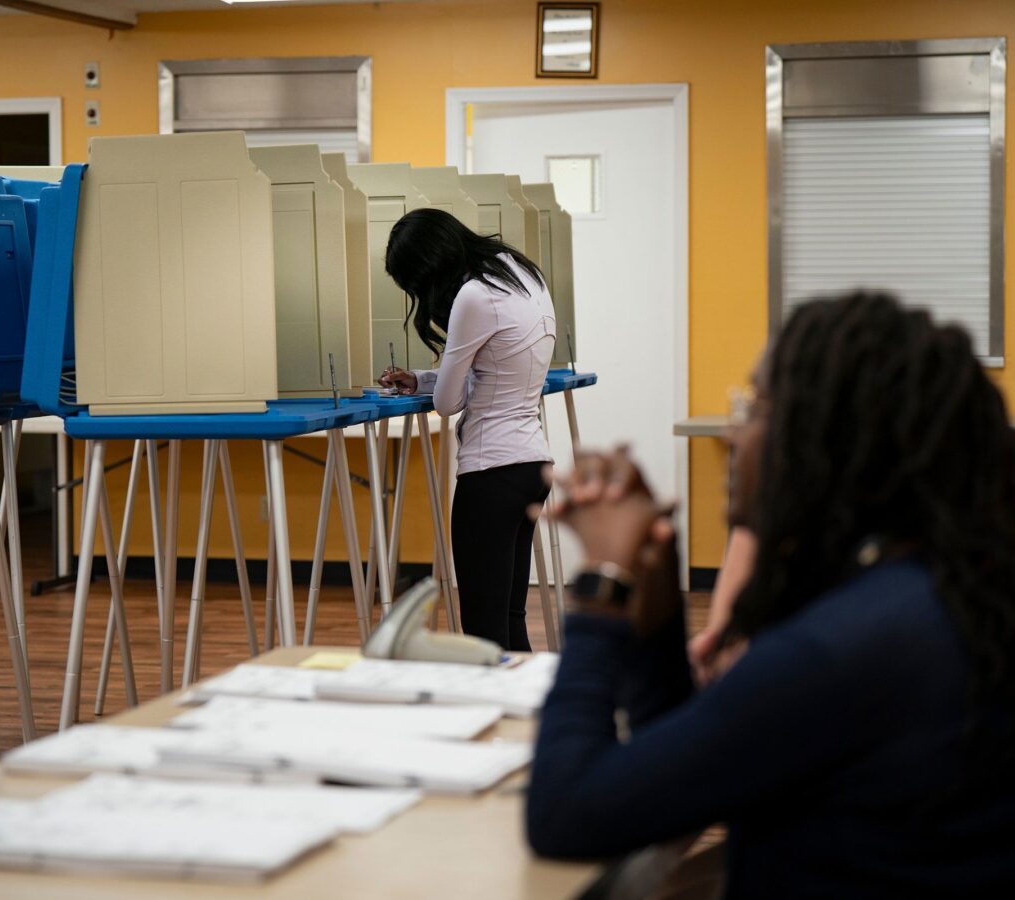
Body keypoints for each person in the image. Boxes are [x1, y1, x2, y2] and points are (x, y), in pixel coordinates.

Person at [526, 292, 1015, 897]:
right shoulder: (925, 595)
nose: (735, 434)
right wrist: (654, 619)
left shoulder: (841, 650)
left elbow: (567, 816)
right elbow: (687, 775)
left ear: (826, 441)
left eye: (756, 408)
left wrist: (601, 591)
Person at [379, 208, 556, 651]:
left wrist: (433, 384)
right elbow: (492, 370)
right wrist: (419, 378)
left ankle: (501, 714)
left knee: (483, 629)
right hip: (532, 466)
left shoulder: (474, 296)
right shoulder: (521, 273)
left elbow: (449, 403)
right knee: (510, 620)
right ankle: (527, 713)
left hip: (490, 473)